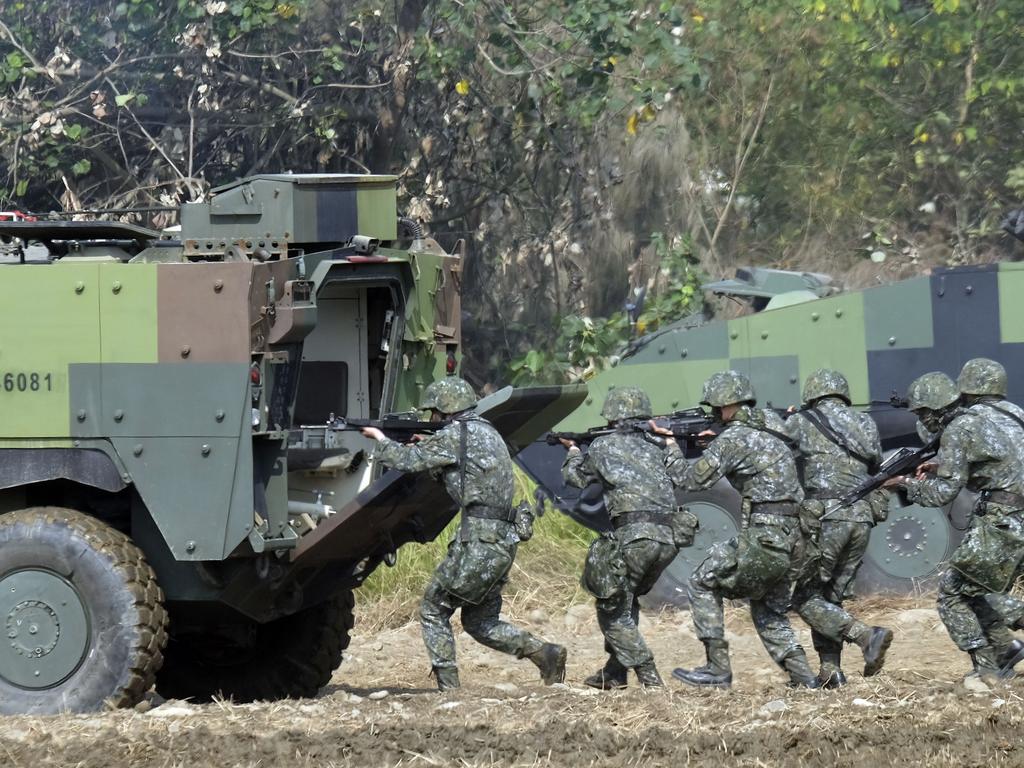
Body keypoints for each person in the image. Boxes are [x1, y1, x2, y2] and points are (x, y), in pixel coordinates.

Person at [362, 377, 566, 691]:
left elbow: (406, 461)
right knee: (479, 622)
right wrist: (425, 444)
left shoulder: (455, 435)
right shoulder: (487, 432)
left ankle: (448, 688)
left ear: (445, 410)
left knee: (433, 608)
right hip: (500, 540)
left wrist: (379, 438)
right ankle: (545, 653)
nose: (431, 419)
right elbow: (457, 468)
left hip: (479, 543)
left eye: (434, 413)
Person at [659, 370, 819, 689]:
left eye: (717, 408)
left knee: (702, 582)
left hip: (766, 535)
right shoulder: (773, 429)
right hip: (796, 536)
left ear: (728, 405)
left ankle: (717, 669)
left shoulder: (733, 439)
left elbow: (690, 480)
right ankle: (805, 679)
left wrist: (670, 446)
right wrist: (716, 443)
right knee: (768, 610)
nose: (715, 414)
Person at [885, 372, 1024, 680]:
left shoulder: (959, 428)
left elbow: (942, 494)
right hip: (1017, 515)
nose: (922, 418)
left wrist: (904, 484)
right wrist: (945, 465)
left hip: (1002, 519)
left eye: (922, 412)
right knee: (977, 589)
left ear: (935, 409)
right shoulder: (1011, 413)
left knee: (951, 594)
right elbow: (1000, 460)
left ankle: (987, 671)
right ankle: (1006, 650)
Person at [560, 386, 690, 689]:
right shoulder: (657, 447)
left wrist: (573, 450)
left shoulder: (605, 446)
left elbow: (576, 478)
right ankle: (615, 673)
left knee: (612, 609)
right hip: (668, 540)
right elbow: (681, 475)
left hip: (635, 538)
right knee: (626, 598)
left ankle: (649, 677)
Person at [785, 369, 893, 687]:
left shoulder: (801, 422)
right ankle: (830, 672)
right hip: (861, 518)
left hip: (827, 516)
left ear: (812, 395)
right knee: (829, 599)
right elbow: (874, 461)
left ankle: (865, 636)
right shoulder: (865, 423)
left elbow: (782, 457)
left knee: (805, 598)